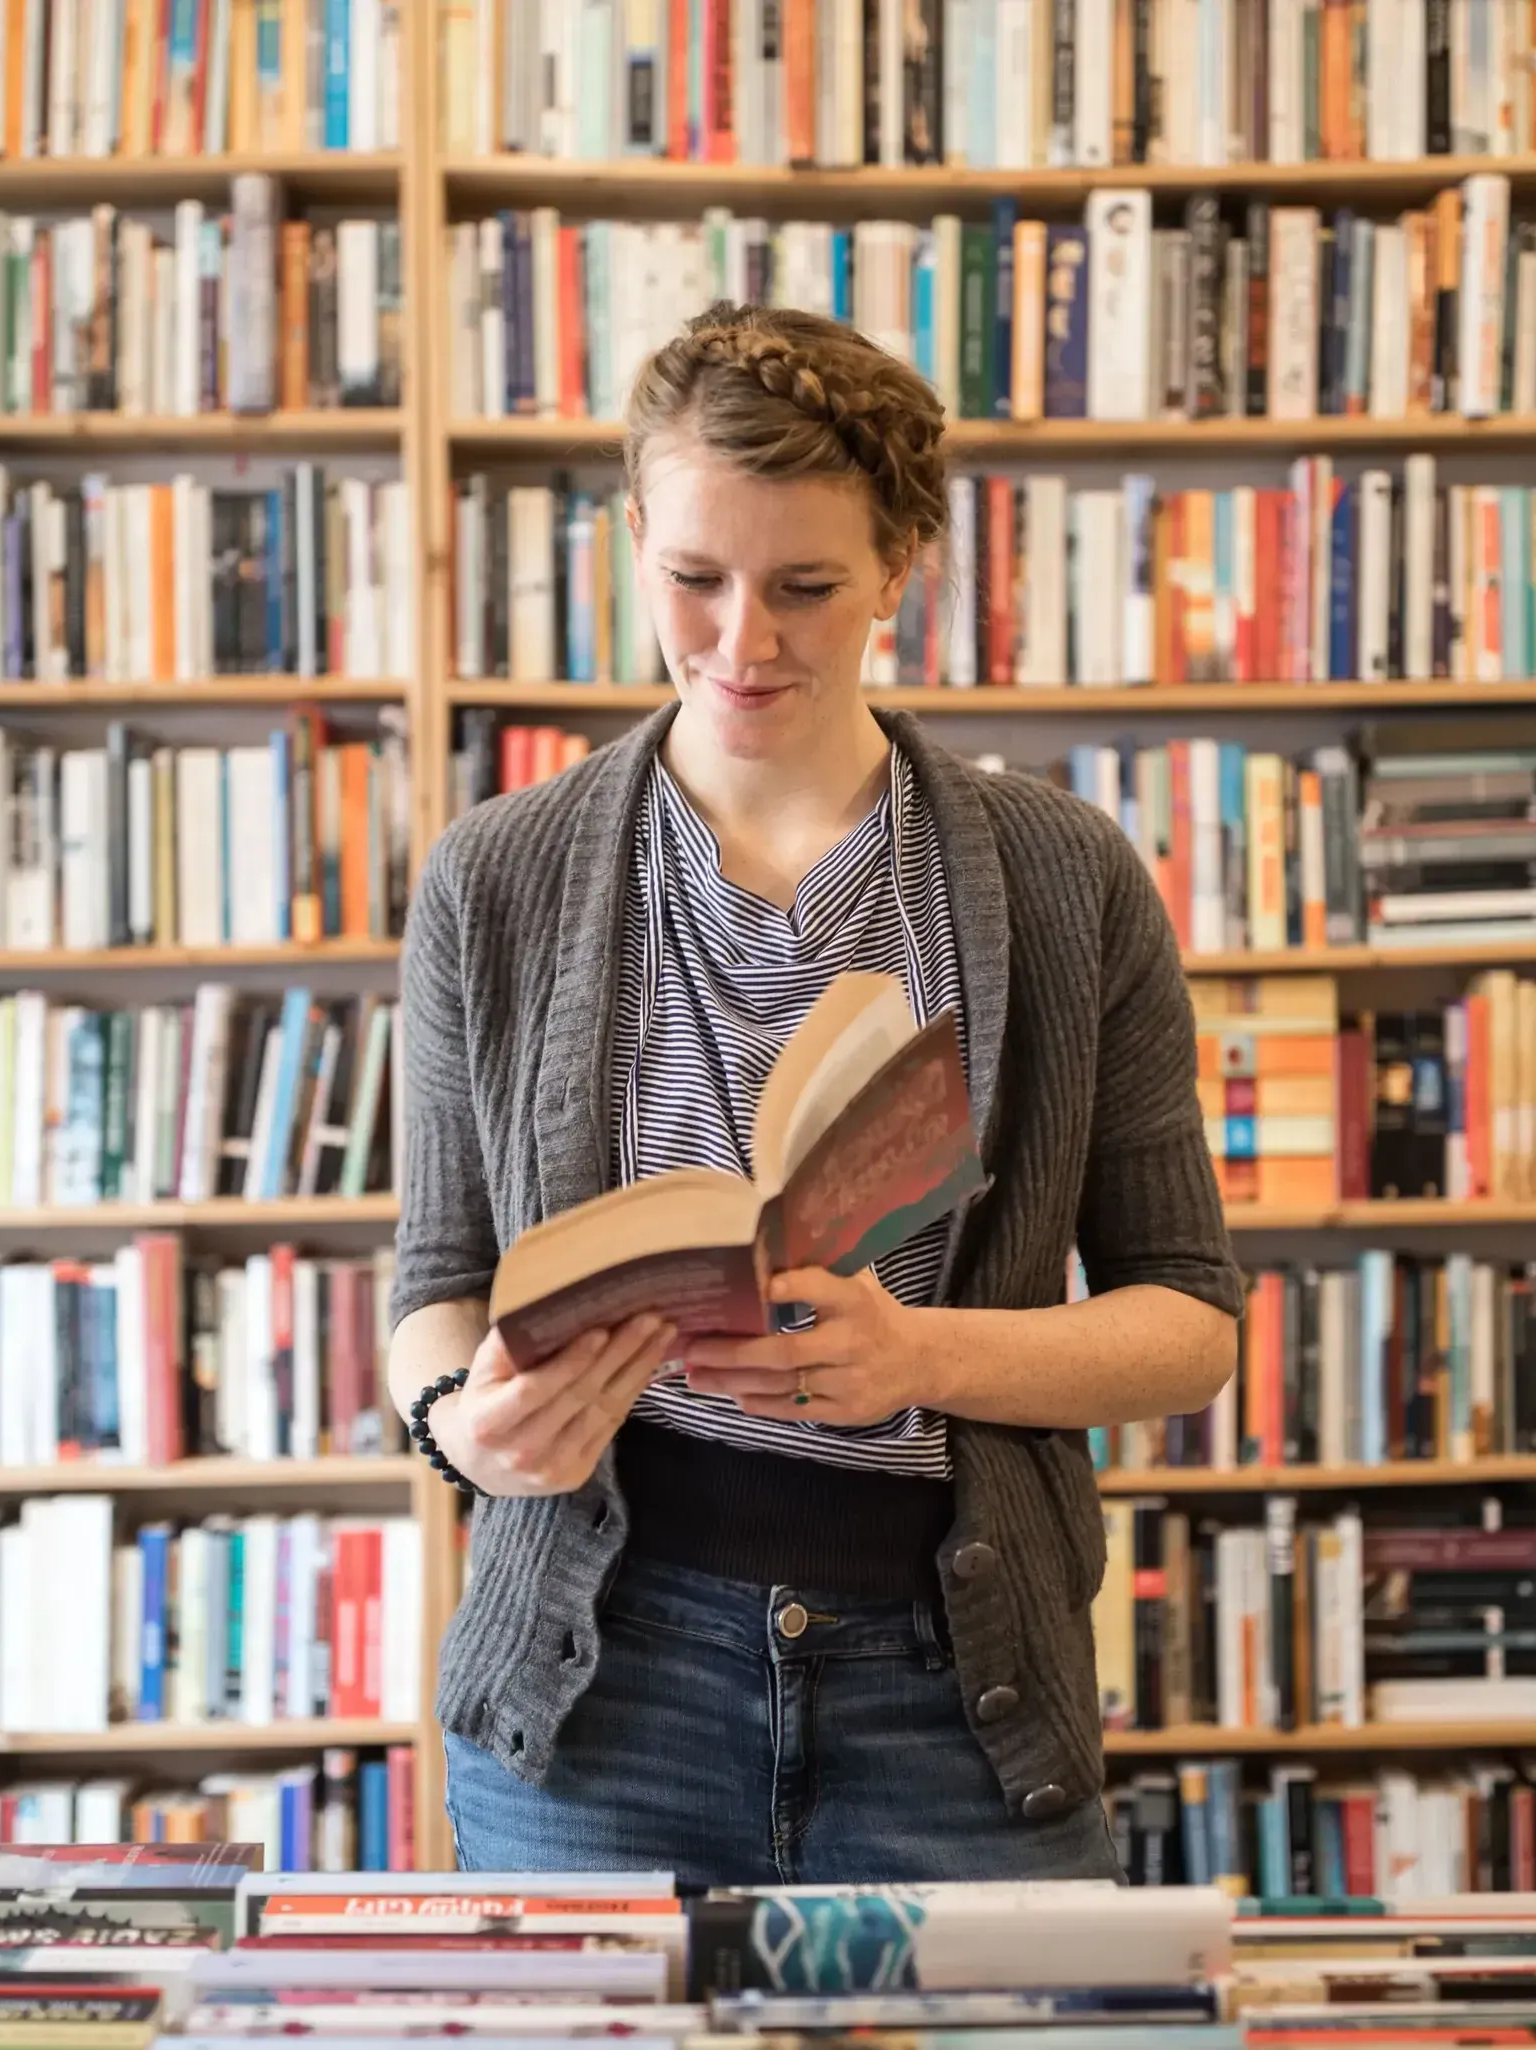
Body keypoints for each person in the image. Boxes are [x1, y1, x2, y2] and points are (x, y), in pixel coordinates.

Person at [387, 302, 1243, 1886]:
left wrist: (919, 1354)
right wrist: (466, 1428)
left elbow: (1189, 1321)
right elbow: (435, 1288)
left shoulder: (1066, 881)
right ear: (634, 530)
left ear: (902, 566)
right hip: (599, 1690)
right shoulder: (494, 878)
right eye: (693, 580)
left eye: (805, 588)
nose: (741, 645)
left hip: (953, 1685)